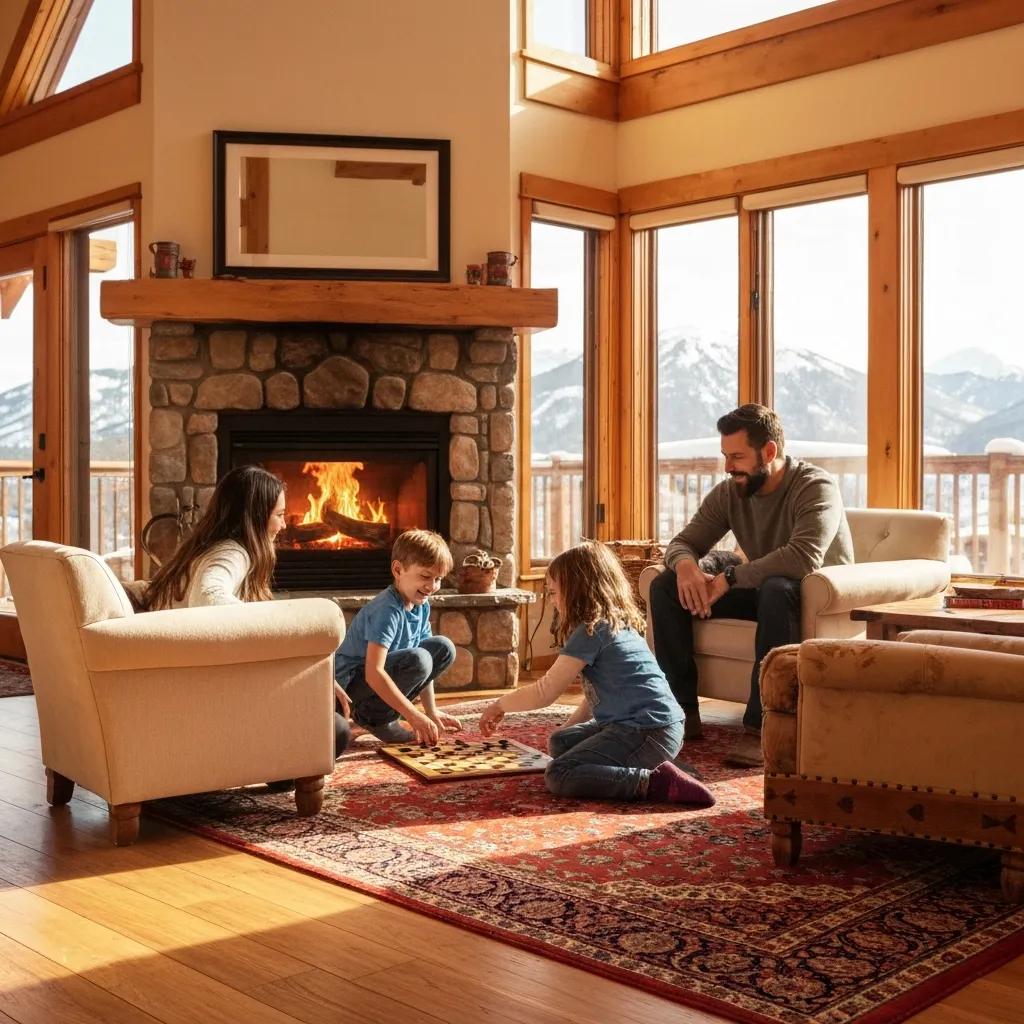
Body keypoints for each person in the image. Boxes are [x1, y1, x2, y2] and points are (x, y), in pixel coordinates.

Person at [648, 404, 853, 768]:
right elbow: (683, 542)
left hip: (813, 599)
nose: (727, 467)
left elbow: (803, 558)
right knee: (666, 587)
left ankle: (762, 727)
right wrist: (685, 568)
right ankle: (679, 715)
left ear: (769, 452)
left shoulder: (815, 486)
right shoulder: (731, 492)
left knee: (777, 588)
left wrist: (729, 579)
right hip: (762, 591)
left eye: (737, 457)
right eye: (725, 456)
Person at [477, 542, 715, 807]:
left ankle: (654, 782)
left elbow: (545, 692)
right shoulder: (617, 624)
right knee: (560, 742)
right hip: (659, 728)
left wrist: (500, 705)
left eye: (554, 593)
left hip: (646, 730)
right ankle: (656, 762)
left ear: (577, 591)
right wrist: (568, 729)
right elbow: (595, 697)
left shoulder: (591, 632)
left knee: (559, 773)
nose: (552, 601)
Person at [144, 464, 352, 768]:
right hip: (209, 706)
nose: (284, 525)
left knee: (325, 704)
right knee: (334, 729)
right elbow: (209, 598)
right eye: (279, 515)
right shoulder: (232, 553)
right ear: (255, 516)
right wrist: (284, 631)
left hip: (184, 697)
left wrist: (313, 670)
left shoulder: (204, 549)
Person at [334, 528, 459, 745]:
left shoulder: (421, 605)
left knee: (443, 647)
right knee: (419, 658)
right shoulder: (387, 610)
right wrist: (412, 715)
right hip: (351, 690)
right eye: (425, 576)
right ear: (398, 570)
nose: (432, 586)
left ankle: (386, 711)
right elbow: (373, 673)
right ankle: (375, 718)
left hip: (375, 681)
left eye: (438, 579)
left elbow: (427, 665)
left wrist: (431, 711)